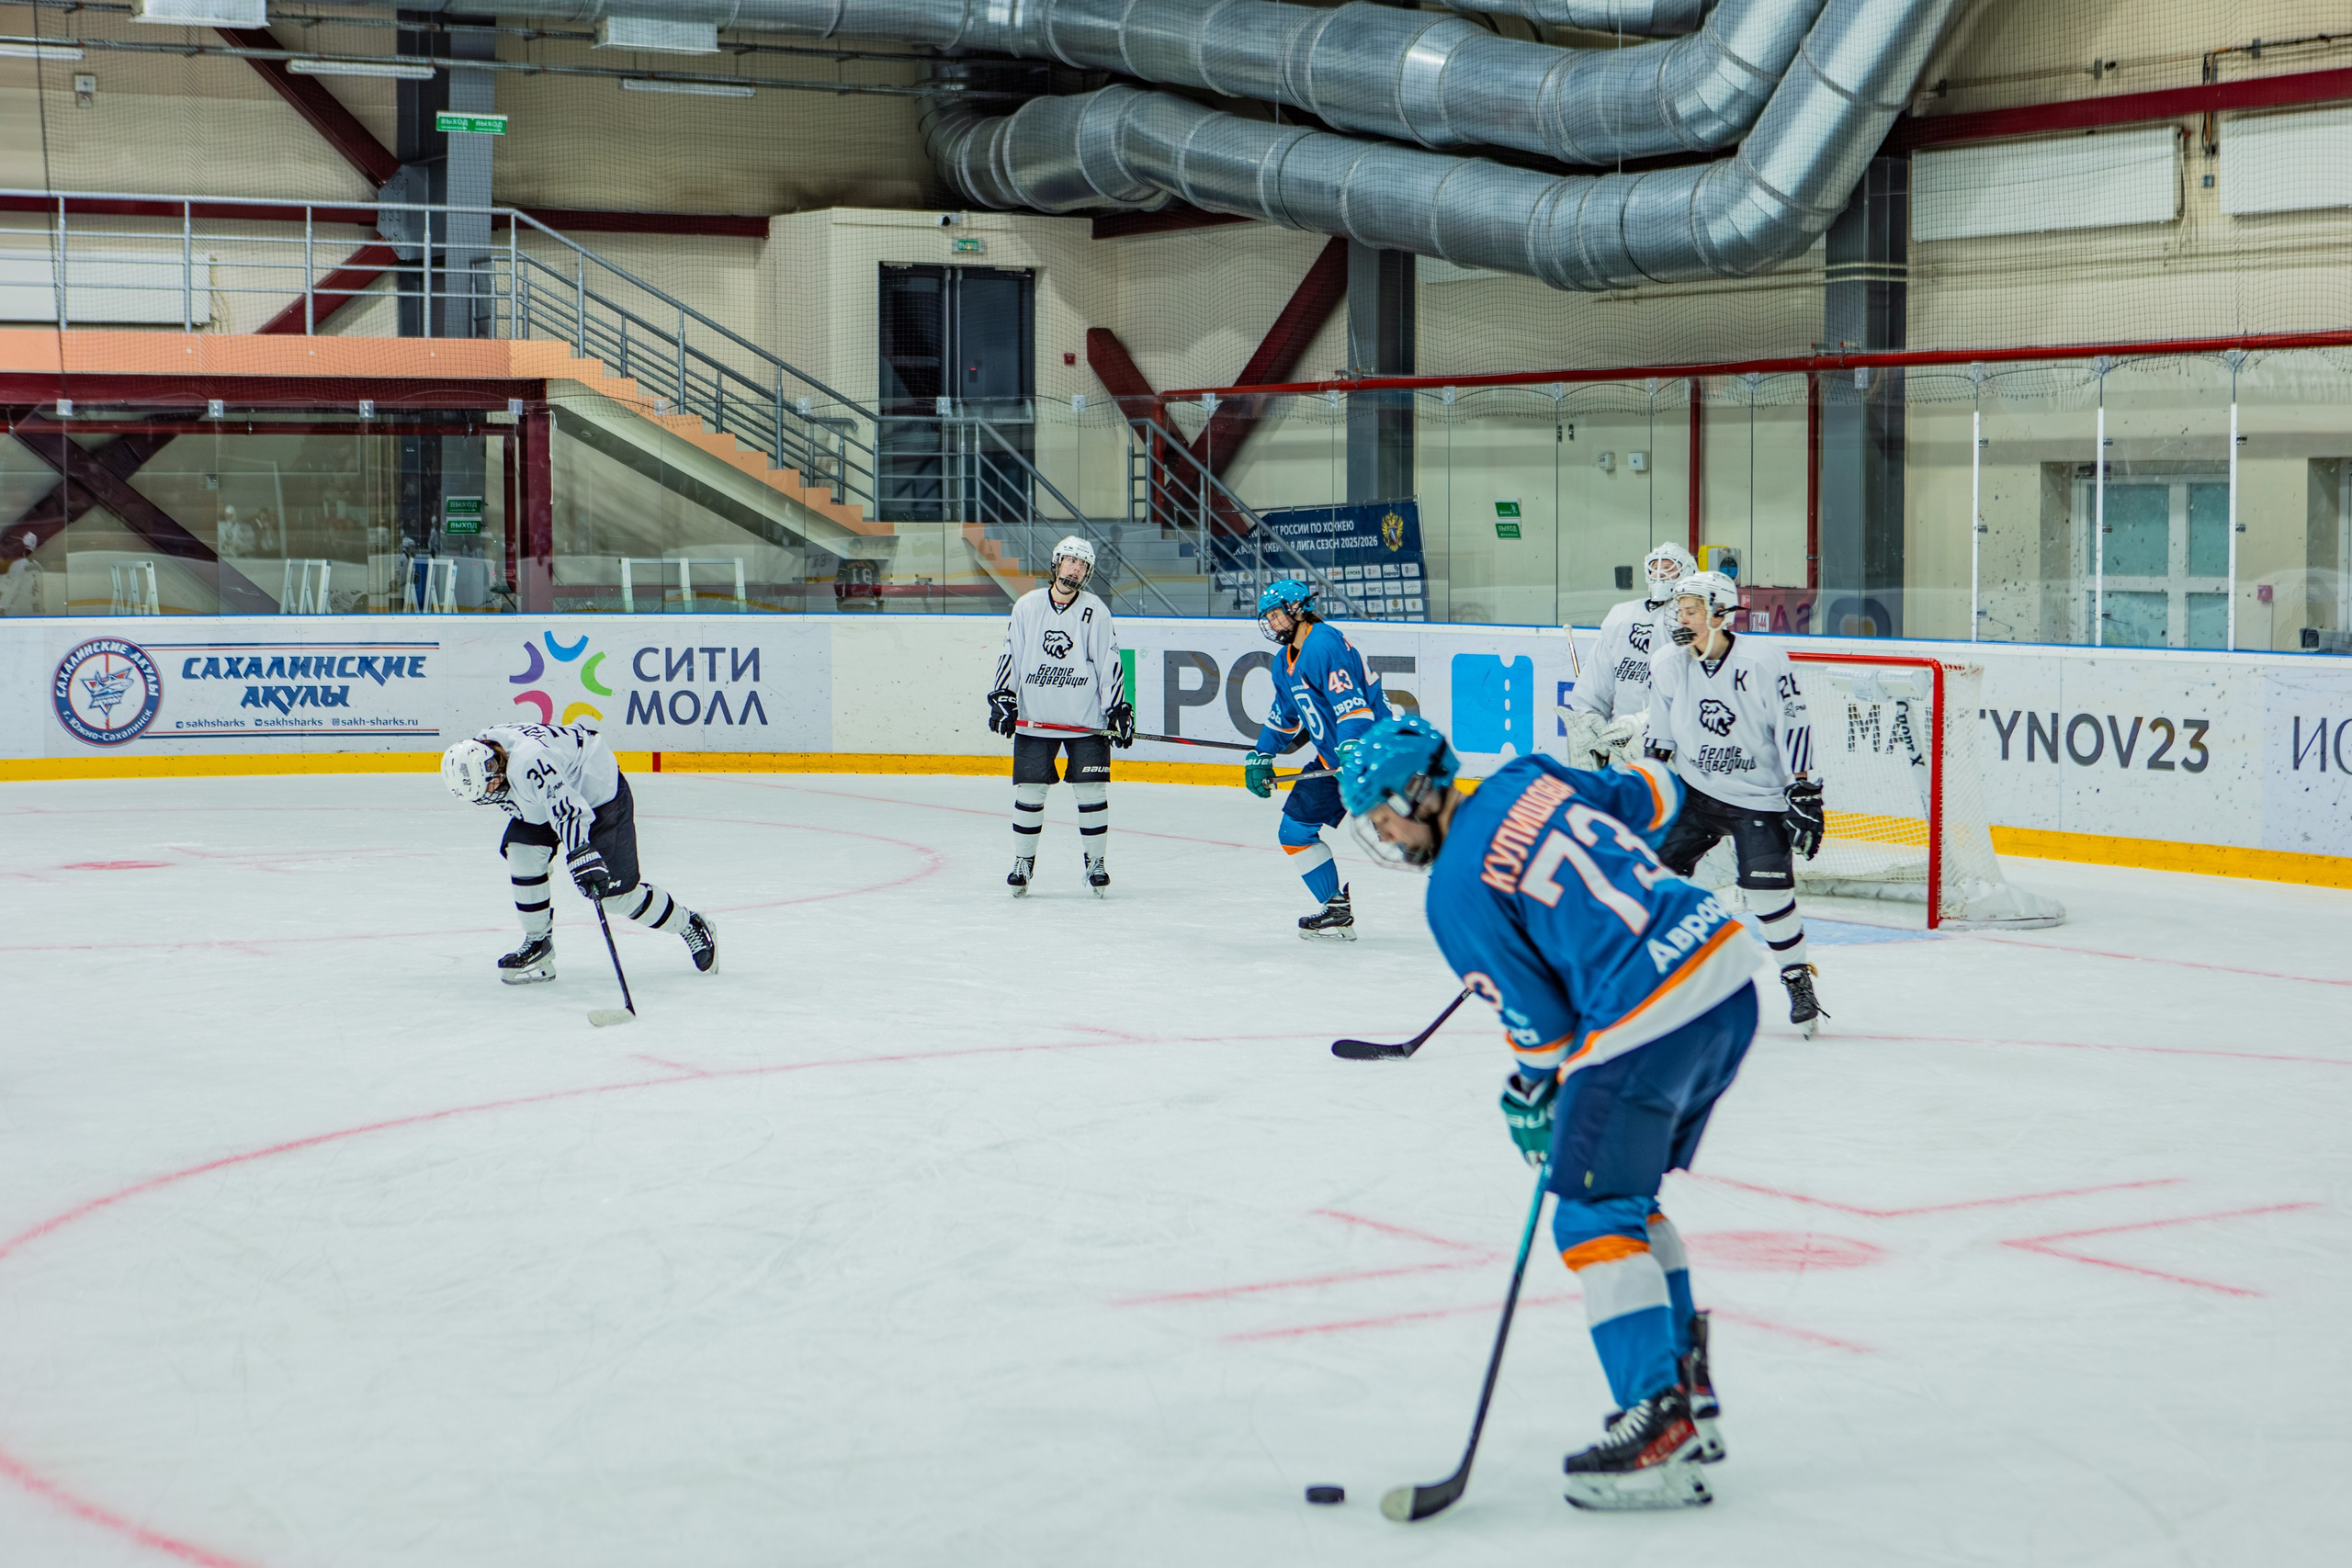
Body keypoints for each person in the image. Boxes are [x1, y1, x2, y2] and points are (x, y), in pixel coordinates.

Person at [1339, 713, 1760, 1511]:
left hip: (1647, 1015)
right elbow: (1659, 792)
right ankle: (1687, 1399)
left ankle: (1657, 1423)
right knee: (1627, 1198)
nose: (1387, 834)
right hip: (1726, 975)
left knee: (1591, 1217)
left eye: (1385, 812)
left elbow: (1549, 1033)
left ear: (1417, 791)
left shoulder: (1454, 893)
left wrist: (1534, 1093)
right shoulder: (1525, 774)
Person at [1645, 570, 1826, 1034]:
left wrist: (1803, 787)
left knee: (1769, 894)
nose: (1680, 618)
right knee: (1646, 880)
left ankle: (1796, 977)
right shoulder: (1667, 663)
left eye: (1691, 610)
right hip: (1695, 792)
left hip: (1758, 798)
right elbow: (1661, 740)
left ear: (1720, 613)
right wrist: (1642, 788)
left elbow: (1794, 724)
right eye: (1678, 609)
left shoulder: (1764, 661)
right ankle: (1660, 982)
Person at [441, 720, 716, 983]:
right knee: (523, 853)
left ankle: (688, 923)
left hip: (596, 790)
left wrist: (581, 854)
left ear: (494, 769)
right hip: (548, 791)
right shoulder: (487, 746)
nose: (490, 794)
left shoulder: (528, 762)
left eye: (489, 787)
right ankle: (538, 942)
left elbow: (567, 807)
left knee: (615, 898)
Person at [1241, 579, 1389, 940]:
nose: (1273, 624)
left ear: (1298, 609)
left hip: (1372, 756)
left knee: (1404, 837)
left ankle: (1487, 903)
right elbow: (1284, 715)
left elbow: (1352, 704)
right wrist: (1263, 754)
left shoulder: (1324, 644)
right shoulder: (1283, 661)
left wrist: (1353, 747)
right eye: (1268, 618)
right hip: (1334, 762)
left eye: (1277, 615)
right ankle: (1335, 909)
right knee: (1294, 831)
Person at [988, 536, 1133, 897]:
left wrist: (1117, 707)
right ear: (1056, 564)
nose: (1075, 569)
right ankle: (1022, 863)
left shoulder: (1096, 610)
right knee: (1031, 792)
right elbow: (1012, 654)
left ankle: (1096, 863)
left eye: (1082, 565)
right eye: (1070, 561)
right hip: (1037, 719)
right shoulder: (1027, 606)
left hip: (1087, 722)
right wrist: (1004, 696)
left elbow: (1108, 662)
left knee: (1091, 792)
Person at [1560, 542, 1696, 769]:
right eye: (1655, 566)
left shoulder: (1689, 620)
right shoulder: (1621, 616)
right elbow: (1596, 681)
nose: (1660, 573)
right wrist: (1589, 726)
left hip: (1674, 746)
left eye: (1670, 567)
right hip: (1620, 742)